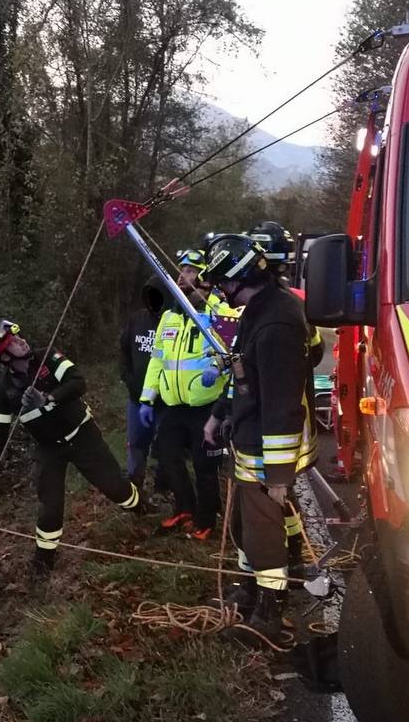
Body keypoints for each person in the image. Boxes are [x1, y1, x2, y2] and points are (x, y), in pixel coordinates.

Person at [200, 234, 317, 630]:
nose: (219, 290)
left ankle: (270, 609)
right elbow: (243, 372)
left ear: (239, 278)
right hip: (251, 436)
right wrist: (219, 414)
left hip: (268, 450)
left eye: (222, 282)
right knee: (251, 522)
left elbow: (283, 407)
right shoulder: (260, 310)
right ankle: (253, 586)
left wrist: (279, 475)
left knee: (262, 529)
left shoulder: (276, 326)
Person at [0, 319, 142, 573]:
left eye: (20, 336)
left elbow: (78, 382)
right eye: (13, 341)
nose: (22, 341)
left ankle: (140, 506)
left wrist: (48, 398)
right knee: (50, 507)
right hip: (49, 448)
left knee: (115, 488)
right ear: (4, 356)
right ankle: (43, 564)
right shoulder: (5, 392)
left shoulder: (48, 356)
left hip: (82, 434)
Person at [137, 248, 223, 541]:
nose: (181, 275)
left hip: (206, 406)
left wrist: (217, 367)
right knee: (168, 457)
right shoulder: (169, 317)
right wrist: (147, 399)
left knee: (205, 467)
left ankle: (206, 520)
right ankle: (185, 509)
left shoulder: (218, 312)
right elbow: (158, 360)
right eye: (181, 269)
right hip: (173, 406)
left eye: (189, 270)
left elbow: (231, 352)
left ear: (205, 278)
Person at [119, 277, 166, 492]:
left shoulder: (174, 321)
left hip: (165, 401)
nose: (152, 299)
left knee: (164, 447)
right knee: (136, 444)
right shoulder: (137, 319)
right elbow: (124, 350)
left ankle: (163, 487)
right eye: (149, 294)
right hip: (136, 398)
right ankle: (134, 487)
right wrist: (128, 379)